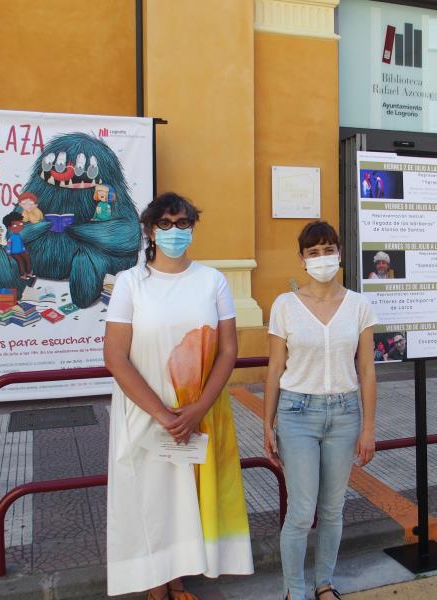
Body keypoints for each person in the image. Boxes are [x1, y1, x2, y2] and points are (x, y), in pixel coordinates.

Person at [103, 192, 253, 599]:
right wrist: (164, 415)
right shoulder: (131, 283)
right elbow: (115, 356)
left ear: (192, 228)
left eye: (182, 223)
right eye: (165, 224)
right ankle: (156, 584)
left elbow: (228, 350)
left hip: (199, 410)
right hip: (145, 412)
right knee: (151, 498)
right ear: (150, 230)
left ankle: (178, 576)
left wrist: (197, 409)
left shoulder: (212, 280)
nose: (174, 232)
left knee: (187, 496)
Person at [264, 220, 377, 600]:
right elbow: (275, 368)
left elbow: (366, 369)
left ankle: (324, 583)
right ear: (302, 259)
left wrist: (369, 427)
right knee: (301, 510)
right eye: (313, 252)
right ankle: (294, 591)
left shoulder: (359, 305)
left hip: (345, 414)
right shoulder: (285, 305)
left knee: (332, 508)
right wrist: (267, 423)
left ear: (340, 253)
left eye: (328, 250)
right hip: (297, 414)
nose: (322, 258)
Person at [2, 212, 33, 279]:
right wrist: (9, 254)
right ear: (9, 227)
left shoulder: (19, 236)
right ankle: (22, 275)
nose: (19, 226)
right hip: (14, 253)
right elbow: (9, 246)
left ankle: (29, 273)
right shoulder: (11, 237)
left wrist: (24, 250)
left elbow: (21, 244)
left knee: (27, 258)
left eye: (20, 223)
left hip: (21, 251)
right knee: (20, 261)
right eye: (15, 225)